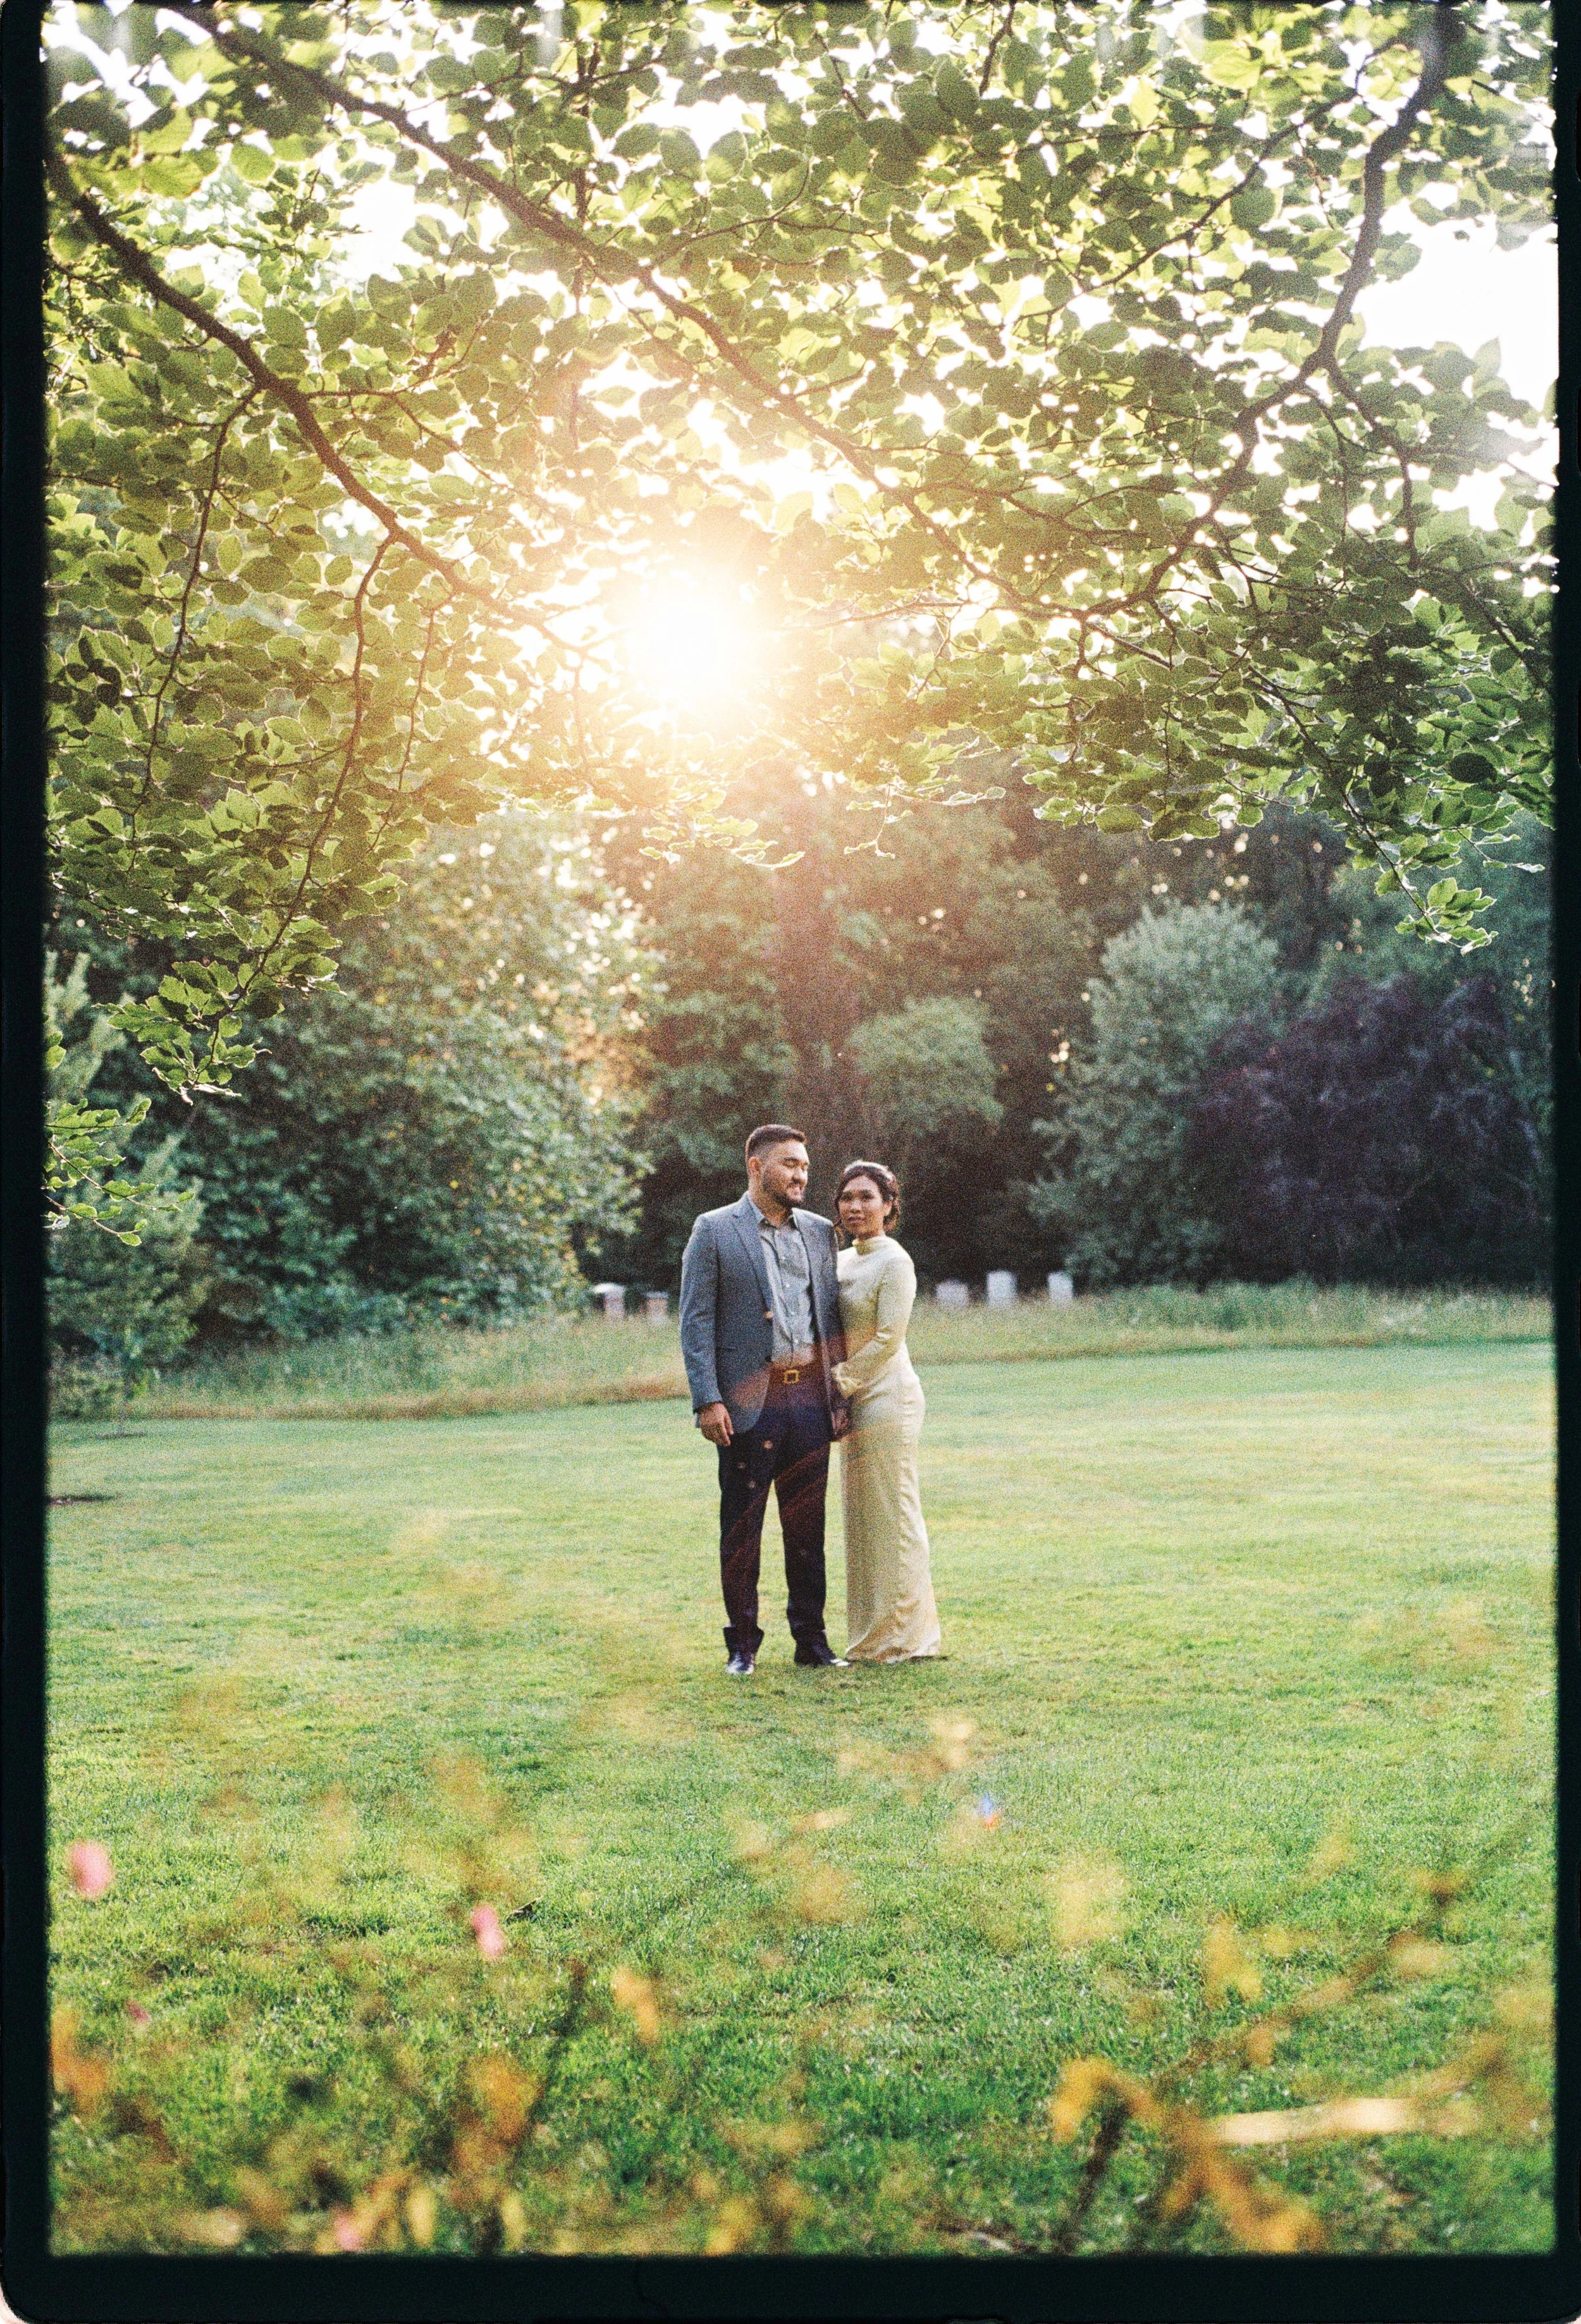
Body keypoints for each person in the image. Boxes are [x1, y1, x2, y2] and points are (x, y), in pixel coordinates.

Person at [679, 1126, 851, 1677]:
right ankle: (743, 1647)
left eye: (804, 1165)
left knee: (808, 1530)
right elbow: (696, 1322)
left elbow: (834, 1319)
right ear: (756, 1167)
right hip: (748, 1404)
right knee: (742, 1527)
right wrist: (708, 1400)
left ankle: (813, 1643)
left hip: (810, 1402)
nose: (801, 1175)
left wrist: (837, 1396)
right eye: (788, 1165)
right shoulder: (713, 1231)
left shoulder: (823, 1234)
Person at [832, 1160, 942, 1663]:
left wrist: (837, 1383)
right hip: (852, 1398)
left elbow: (886, 1337)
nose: (855, 1206)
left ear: (889, 1206)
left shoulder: (894, 1262)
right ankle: (871, 1634)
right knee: (863, 1520)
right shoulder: (842, 1260)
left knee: (893, 1516)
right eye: (847, 1197)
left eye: (867, 1198)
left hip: (887, 1397)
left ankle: (901, 1637)